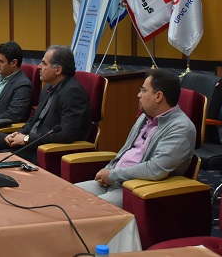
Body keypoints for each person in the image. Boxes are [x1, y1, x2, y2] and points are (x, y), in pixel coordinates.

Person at [75, 69, 196, 208]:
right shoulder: (145, 116)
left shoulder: (181, 128)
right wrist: (107, 171)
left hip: (136, 188)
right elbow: (126, 151)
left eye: (143, 90)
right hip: (112, 180)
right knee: (63, 196)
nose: (138, 95)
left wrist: (113, 175)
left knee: (85, 209)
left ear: (158, 96)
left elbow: (155, 169)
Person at [0, 45, 91, 165]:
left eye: (44, 64)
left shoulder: (73, 93)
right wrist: (16, 134)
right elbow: (33, 120)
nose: (39, 66)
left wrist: (26, 139)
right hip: (28, 141)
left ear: (58, 70)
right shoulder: (48, 87)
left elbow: (66, 135)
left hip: (42, 150)